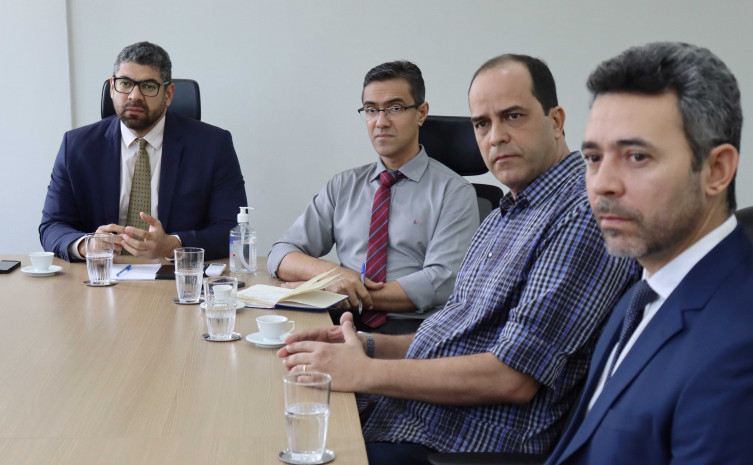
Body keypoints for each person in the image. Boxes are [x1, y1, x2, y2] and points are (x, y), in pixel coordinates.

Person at [278, 54, 638, 464]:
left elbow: (513, 376)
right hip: (412, 412)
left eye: (513, 116)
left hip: (457, 439)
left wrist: (365, 372)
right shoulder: (505, 213)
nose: (495, 137)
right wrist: (370, 346)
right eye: (481, 124)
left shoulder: (582, 214)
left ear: (556, 121)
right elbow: (458, 335)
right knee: (269, 408)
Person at [545, 42, 753, 465]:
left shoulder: (739, 346)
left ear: (716, 170)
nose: (602, 184)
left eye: (636, 156)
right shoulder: (642, 292)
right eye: (593, 157)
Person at [267, 61, 479, 334]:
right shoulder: (343, 185)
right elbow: (281, 254)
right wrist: (331, 276)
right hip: (341, 323)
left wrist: (343, 293)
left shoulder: (455, 192)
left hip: (415, 332)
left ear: (421, 113)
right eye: (371, 110)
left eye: (395, 108)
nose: (381, 122)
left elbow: (441, 282)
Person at [40, 41, 247, 261]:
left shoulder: (212, 146)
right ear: (112, 88)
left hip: (176, 273)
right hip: (103, 273)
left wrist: (174, 245)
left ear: (168, 94)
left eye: (148, 86)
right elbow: (52, 225)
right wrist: (87, 245)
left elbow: (232, 228)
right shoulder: (77, 146)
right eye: (125, 83)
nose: (134, 96)